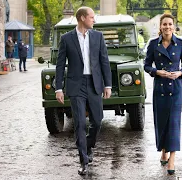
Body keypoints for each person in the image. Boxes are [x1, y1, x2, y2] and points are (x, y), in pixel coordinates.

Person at [55, 6, 112, 175]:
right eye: (91, 17)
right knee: (79, 123)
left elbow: (104, 61)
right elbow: (60, 65)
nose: (94, 20)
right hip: (76, 85)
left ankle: (88, 145)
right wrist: (59, 88)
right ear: (82, 18)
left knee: (98, 120)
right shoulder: (66, 39)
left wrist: (107, 85)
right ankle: (83, 160)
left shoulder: (98, 36)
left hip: (94, 83)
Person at [144, 14, 182, 175]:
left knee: (173, 124)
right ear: (160, 27)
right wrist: (158, 72)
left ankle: (172, 160)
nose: (167, 27)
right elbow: (146, 66)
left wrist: (179, 73)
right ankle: (163, 150)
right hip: (160, 90)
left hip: (176, 90)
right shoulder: (153, 44)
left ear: (174, 26)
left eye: (170, 24)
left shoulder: (181, 44)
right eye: (164, 24)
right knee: (162, 123)